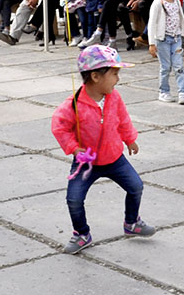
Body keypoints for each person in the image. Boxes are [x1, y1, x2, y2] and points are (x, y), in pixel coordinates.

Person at [51, 45, 153, 254]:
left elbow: (122, 119)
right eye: (114, 73)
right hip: (86, 163)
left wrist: (130, 139)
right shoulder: (73, 105)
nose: (118, 78)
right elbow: (60, 127)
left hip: (114, 158)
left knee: (136, 186)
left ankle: (132, 223)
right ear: (96, 76)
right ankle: (81, 233)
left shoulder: (114, 97)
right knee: (74, 199)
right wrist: (73, 147)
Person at [147, 0, 184, 104]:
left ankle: (183, 92)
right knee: (165, 67)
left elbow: (181, 19)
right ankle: (164, 91)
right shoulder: (157, 3)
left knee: (179, 66)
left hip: (176, 39)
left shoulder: (176, 1)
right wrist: (152, 43)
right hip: (163, 41)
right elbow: (152, 24)